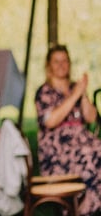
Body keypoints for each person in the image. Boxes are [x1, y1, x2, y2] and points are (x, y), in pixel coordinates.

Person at [35, 44, 101, 216]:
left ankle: (86, 207)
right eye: (56, 62)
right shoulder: (44, 92)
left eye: (64, 61)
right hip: (58, 154)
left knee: (95, 152)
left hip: (84, 145)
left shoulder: (75, 88)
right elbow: (51, 121)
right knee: (91, 154)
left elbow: (91, 117)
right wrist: (74, 95)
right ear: (49, 66)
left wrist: (83, 93)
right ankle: (84, 209)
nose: (61, 65)